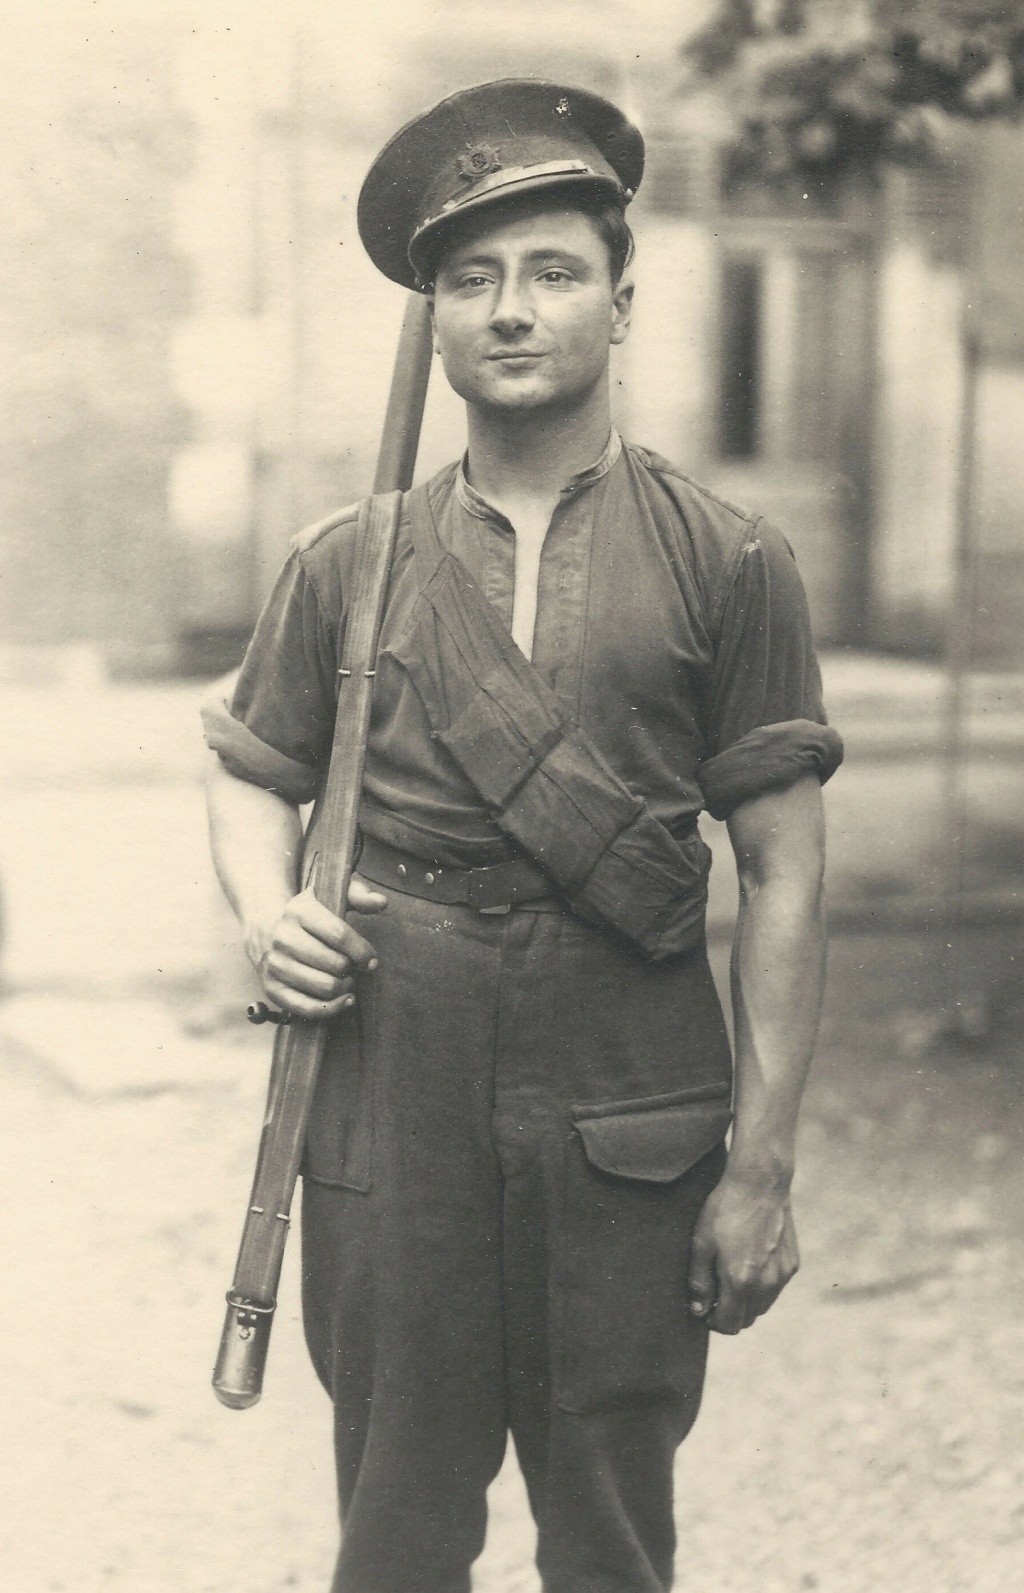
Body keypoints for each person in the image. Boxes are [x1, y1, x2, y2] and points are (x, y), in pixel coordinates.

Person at [203, 78, 843, 1593]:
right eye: (470, 279)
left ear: (623, 304)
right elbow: (248, 767)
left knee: (612, 1506)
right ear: (431, 317)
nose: (510, 311)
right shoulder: (345, 558)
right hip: (393, 1063)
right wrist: (263, 902)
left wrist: (759, 1167)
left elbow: (787, 869)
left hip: (628, 1066)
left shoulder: (729, 559)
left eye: (554, 273)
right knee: (398, 1503)